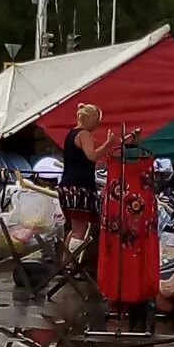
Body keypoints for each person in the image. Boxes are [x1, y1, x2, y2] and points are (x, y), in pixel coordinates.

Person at [58, 103, 120, 250]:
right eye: (97, 119)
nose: (98, 123)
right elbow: (92, 157)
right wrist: (107, 145)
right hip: (79, 186)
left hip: (69, 184)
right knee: (80, 229)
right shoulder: (83, 134)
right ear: (88, 118)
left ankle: (65, 263)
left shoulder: (70, 135)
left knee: (75, 228)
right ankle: (73, 266)